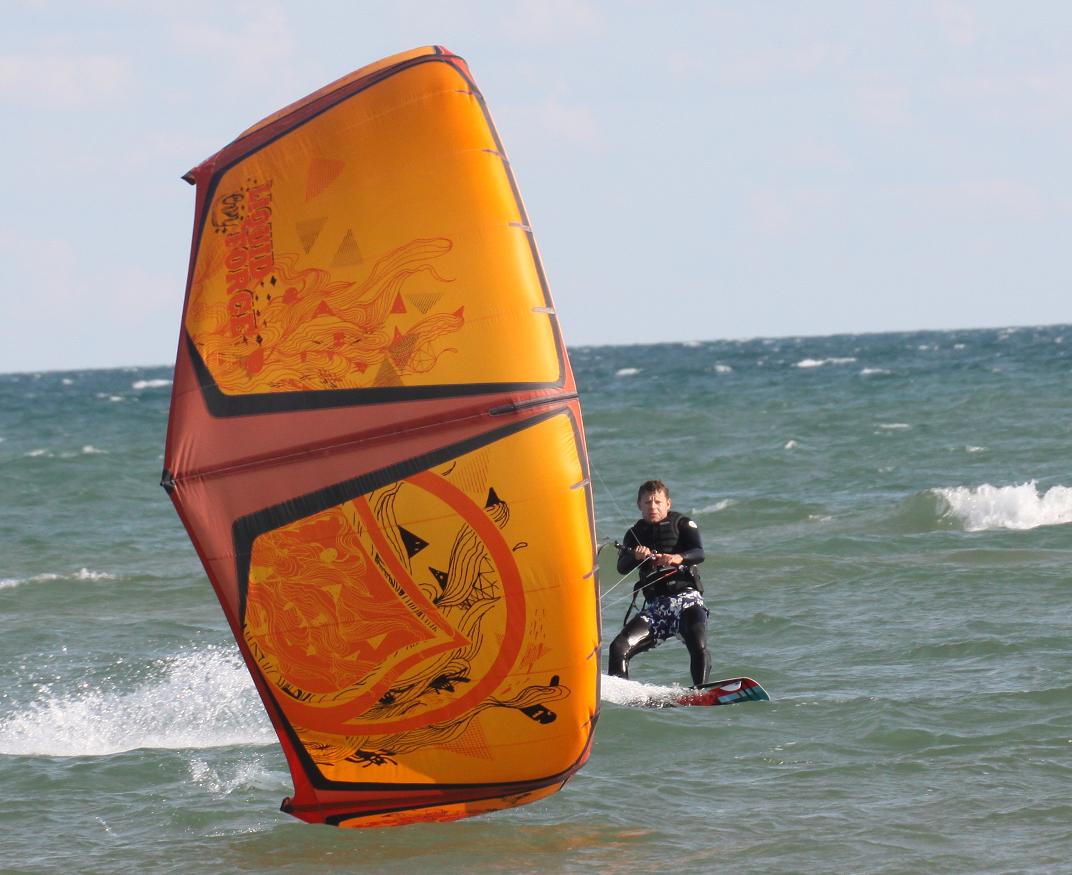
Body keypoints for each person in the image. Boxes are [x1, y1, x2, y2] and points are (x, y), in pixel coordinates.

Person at [608, 480, 710, 687]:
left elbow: (699, 552)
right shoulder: (633, 534)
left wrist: (678, 558)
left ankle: (700, 691)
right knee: (618, 647)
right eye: (647, 502)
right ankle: (620, 694)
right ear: (639, 505)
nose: (652, 507)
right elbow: (622, 567)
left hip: (686, 600)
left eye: (657, 502)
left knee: (698, 643)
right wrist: (636, 557)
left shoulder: (682, 524)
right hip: (656, 608)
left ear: (668, 504)